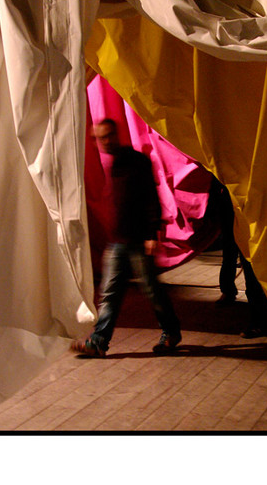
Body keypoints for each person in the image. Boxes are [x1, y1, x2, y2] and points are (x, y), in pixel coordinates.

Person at [71, 119, 182, 357]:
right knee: (110, 293)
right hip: (117, 241)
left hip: (139, 240)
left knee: (152, 290)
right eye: (100, 138)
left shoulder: (137, 161)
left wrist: (151, 233)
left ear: (116, 134)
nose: (106, 141)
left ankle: (171, 332)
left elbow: (151, 197)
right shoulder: (113, 164)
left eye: (109, 136)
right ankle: (99, 342)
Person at [209, 176, 267, 338]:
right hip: (231, 214)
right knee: (231, 255)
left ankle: (259, 320)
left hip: (247, 216)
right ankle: (230, 293)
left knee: (250, 268)